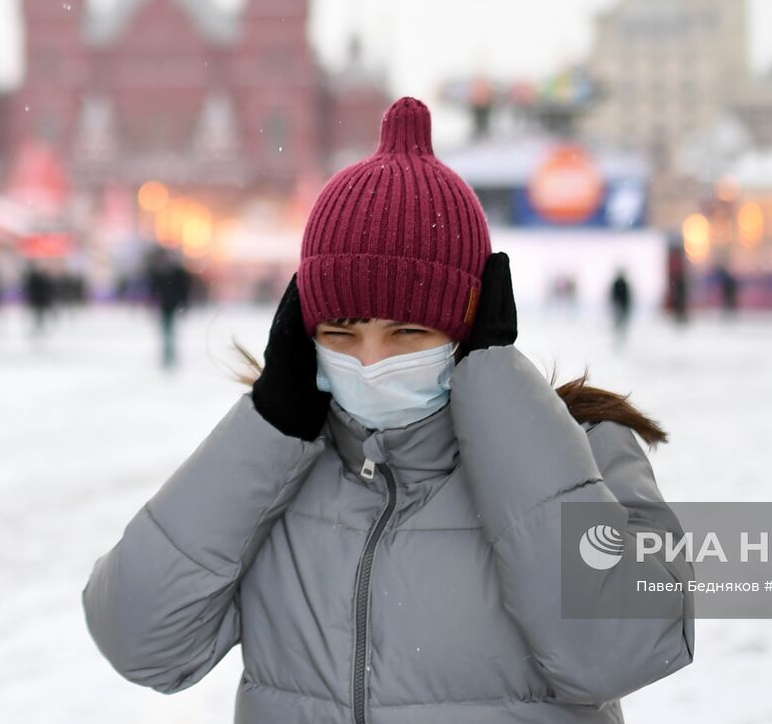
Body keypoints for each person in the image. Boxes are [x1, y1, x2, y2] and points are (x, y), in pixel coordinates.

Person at [82, 97, 696, 722]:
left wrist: (501, 400)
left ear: (469, 329)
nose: (371, 362)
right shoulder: (281, 470)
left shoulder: (586, 449)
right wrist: (269, 424)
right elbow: (139, 643)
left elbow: (623, 649)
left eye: (408, 333)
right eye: (342, 333)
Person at [145, 247, 193, 369]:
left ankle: (170, 355)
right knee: (167, 331)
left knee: (169, 331)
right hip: (166, 305)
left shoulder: (175, 273)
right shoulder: (160, 272)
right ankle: (168, 355)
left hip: (171, 304)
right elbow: (154, 290)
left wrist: (184, 304)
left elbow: (183, 290)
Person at [609, 266, 633, 349]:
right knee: (619, 322)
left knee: (620, 322)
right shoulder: (620, 284)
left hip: (620, 306)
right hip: (620, 306)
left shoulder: (620, 284)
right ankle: (618, 336)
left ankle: (619, 335)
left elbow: (626, 297)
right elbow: (614, 295)